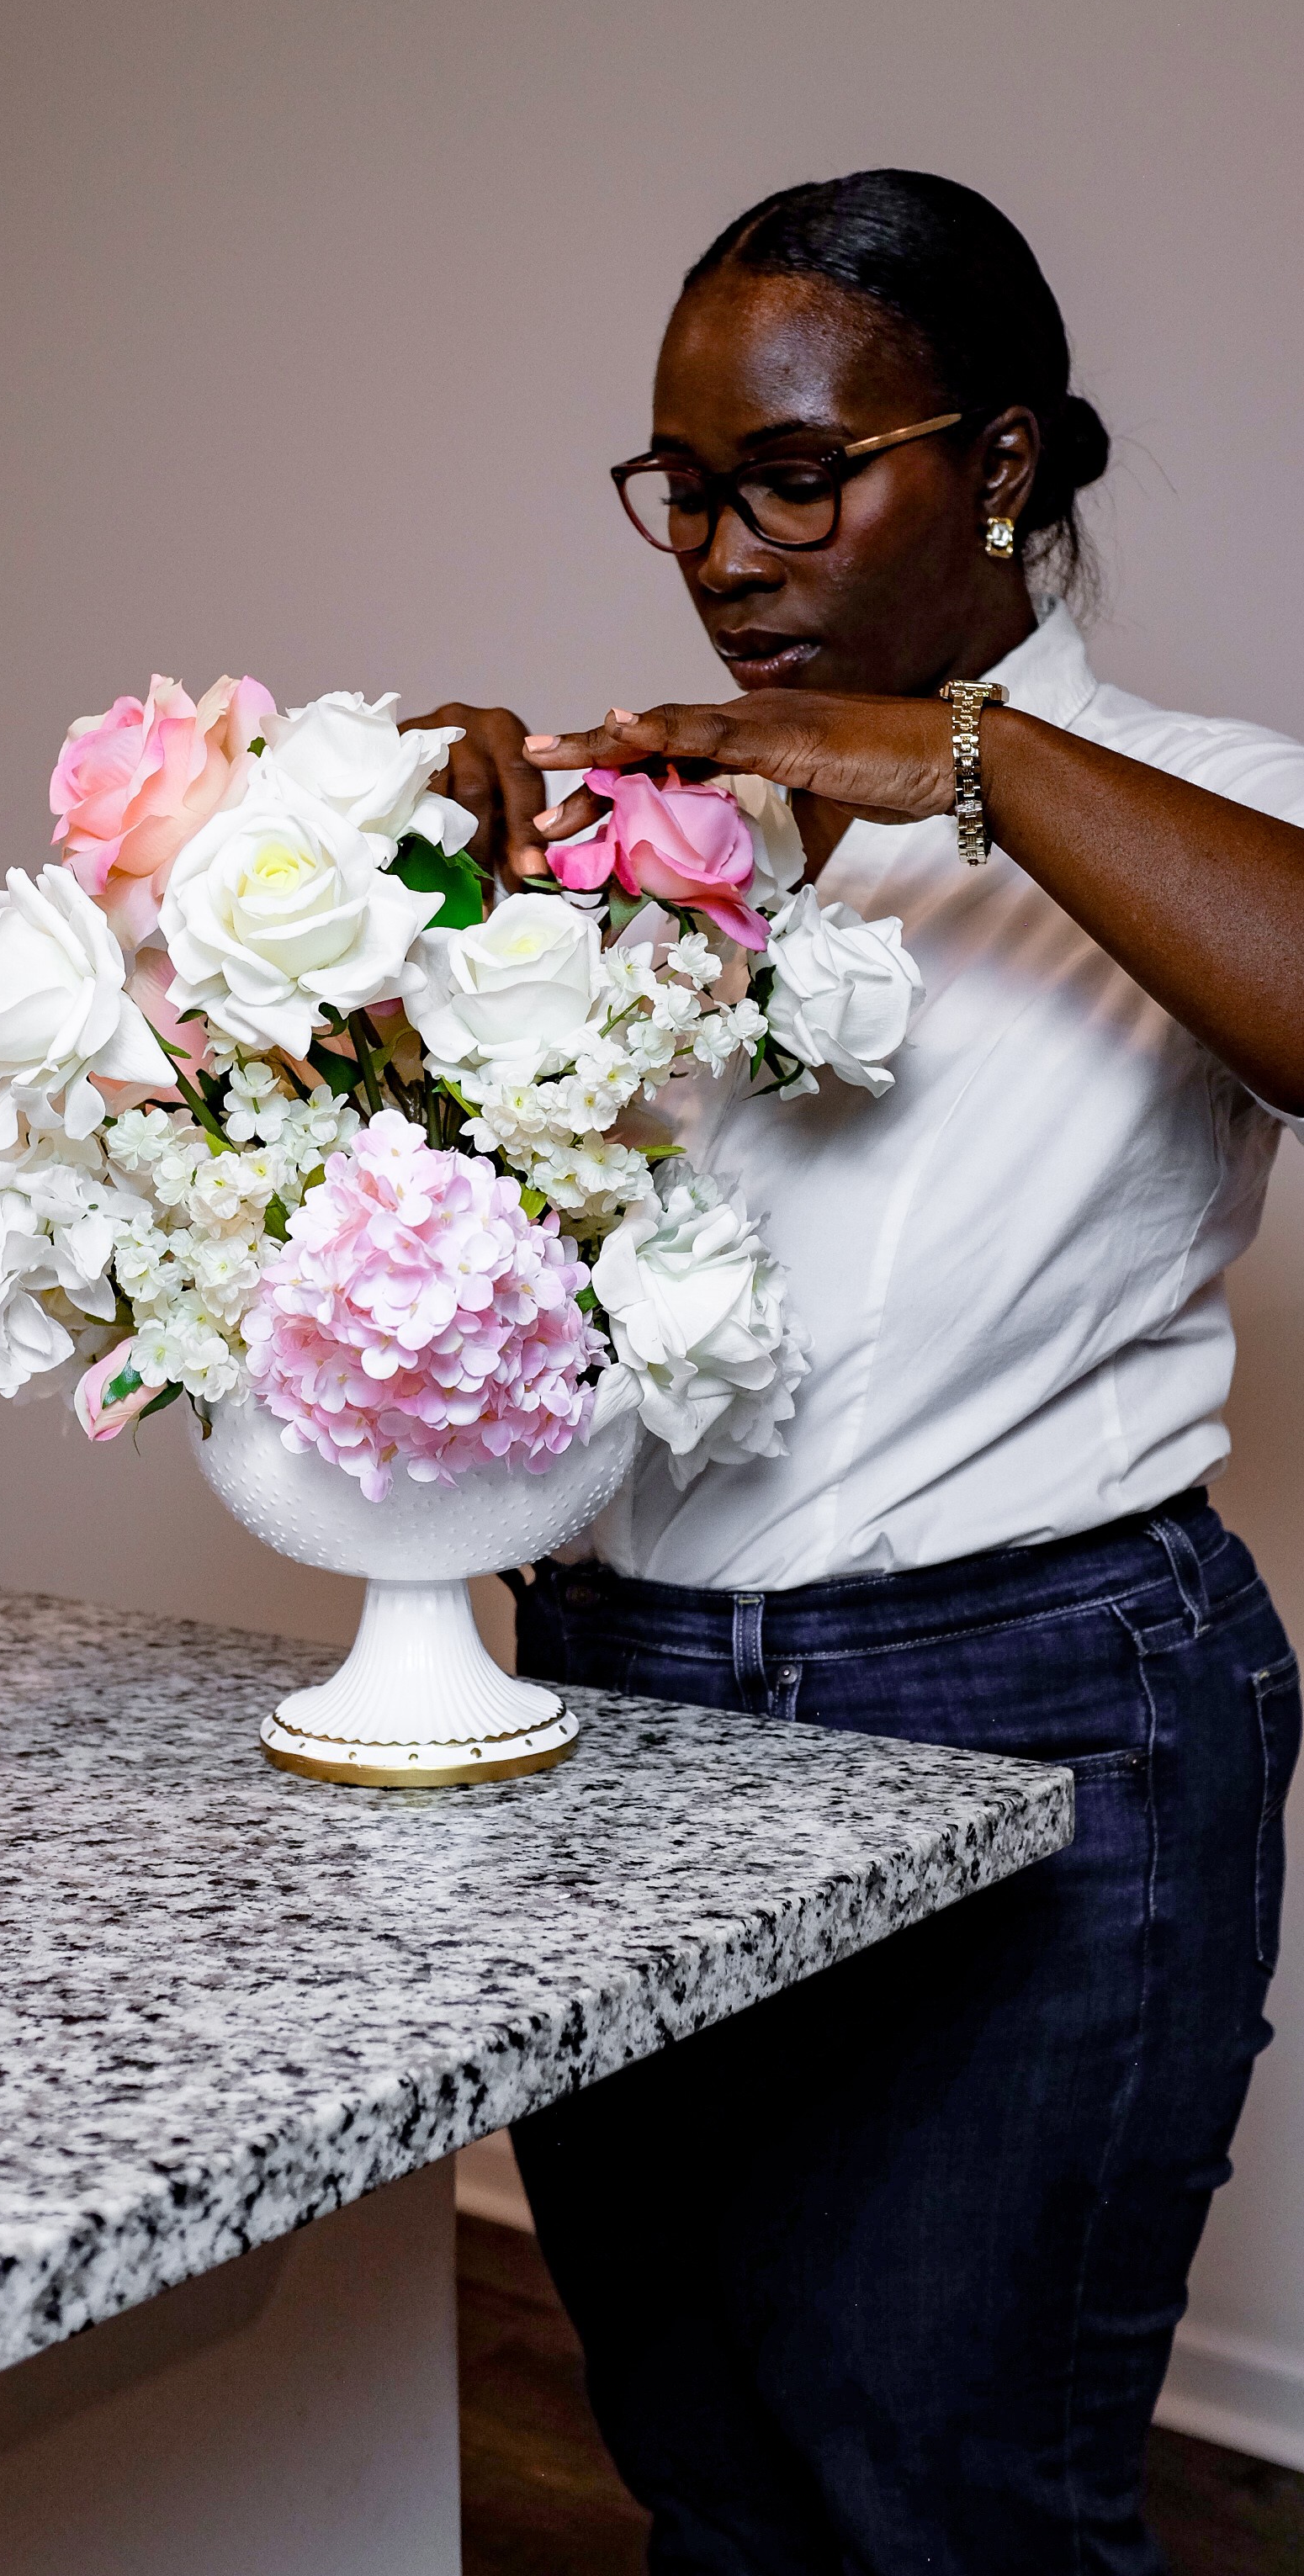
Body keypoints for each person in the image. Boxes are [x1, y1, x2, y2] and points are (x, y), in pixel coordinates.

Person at [407, 170, 1304, 2574]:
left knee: (955, 2512)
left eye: (798, 478)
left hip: (1037, 1713)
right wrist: (412, 882)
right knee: (702, 2469)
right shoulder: (655, 821)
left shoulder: (1214, 789)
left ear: (997, 466)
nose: (724, 554)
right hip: (617, 1705)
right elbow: (445, 1252)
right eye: (687, 488)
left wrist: (966, 767)